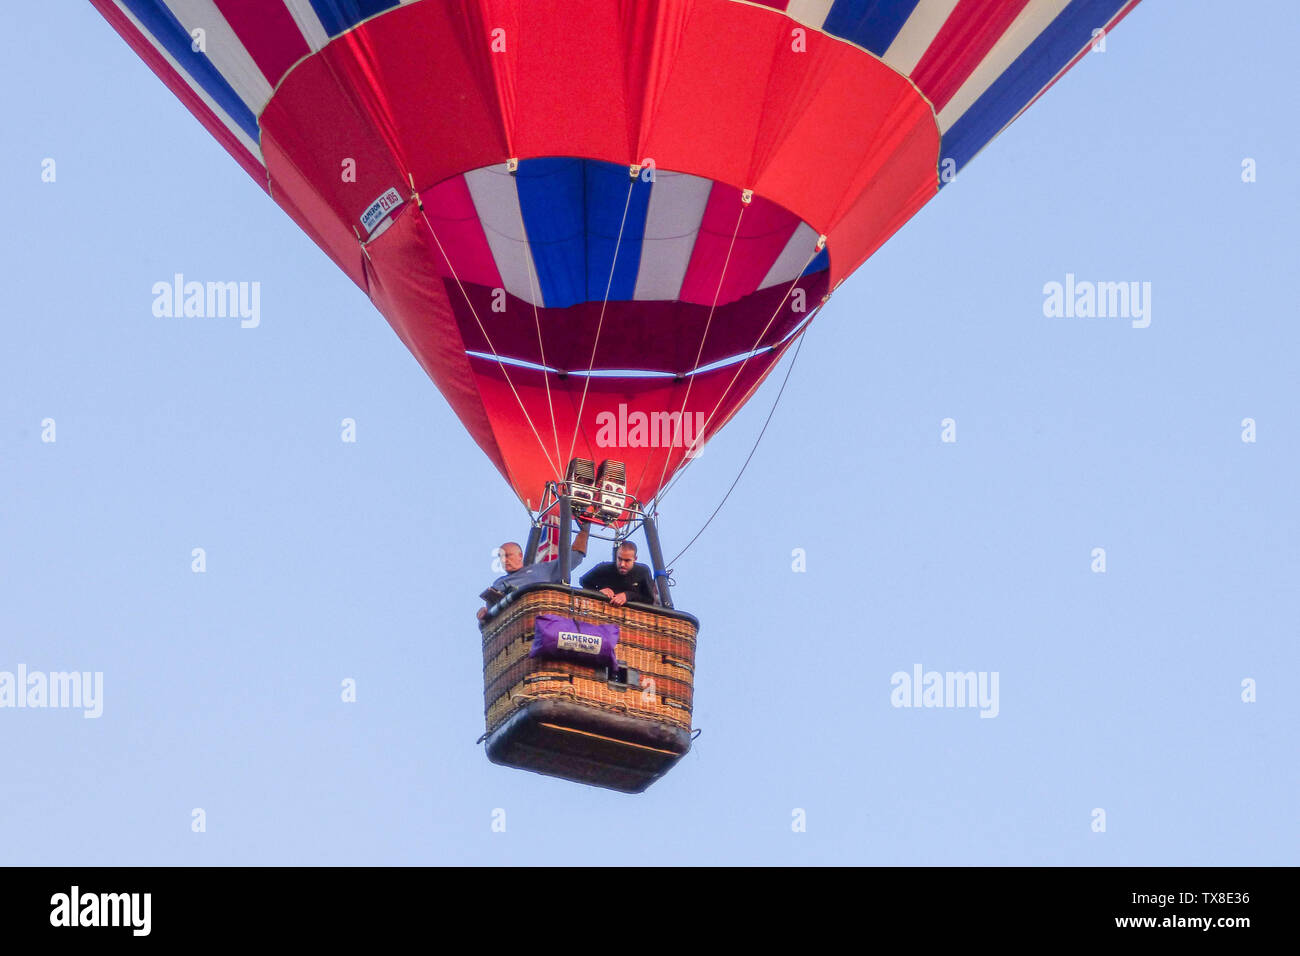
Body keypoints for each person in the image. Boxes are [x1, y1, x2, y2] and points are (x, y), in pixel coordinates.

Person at [477, 523, 591, 620]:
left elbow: (574, 558)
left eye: (508, 555)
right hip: (517, 621)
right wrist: (483, 612)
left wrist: (584, 531)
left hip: (546, 615)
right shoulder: (500, 582)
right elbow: (492, 609)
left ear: (520, 556)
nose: (504, 560)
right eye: (500, 557)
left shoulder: (543, 570)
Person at [579, 540, 658, 607]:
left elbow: (649, 600)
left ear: (635, 559)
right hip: (603, 612)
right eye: (620, 559)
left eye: (627, 561)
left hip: (631, 617)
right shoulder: (604, 568)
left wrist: (627, 596)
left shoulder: (643, 572)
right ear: (616, 556)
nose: (622, 564)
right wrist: (600, 591)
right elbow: (583, 581)